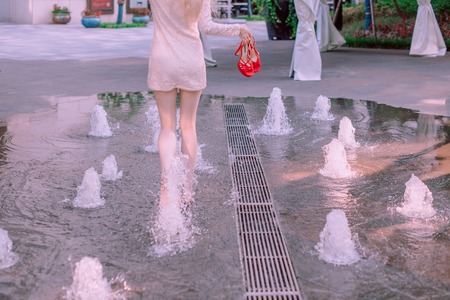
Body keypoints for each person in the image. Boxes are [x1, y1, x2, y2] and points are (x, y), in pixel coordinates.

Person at [147, 0, 254, 206]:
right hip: (191, 61)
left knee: (167, 128)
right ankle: (187, 189)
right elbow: (207, 27)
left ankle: (167, 186)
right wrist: (239, 28)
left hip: (162, 60)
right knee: (188, 126)